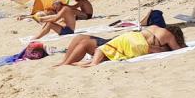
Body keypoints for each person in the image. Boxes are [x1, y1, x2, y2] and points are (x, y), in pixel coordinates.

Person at [55, 25, 184, 67]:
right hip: (126, 42)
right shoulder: (168, 37)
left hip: (126, 40)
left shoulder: (156, 28)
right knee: (80, 38)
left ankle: (65, 64)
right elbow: (177, 49)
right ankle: (64, 62)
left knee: (84, 42)